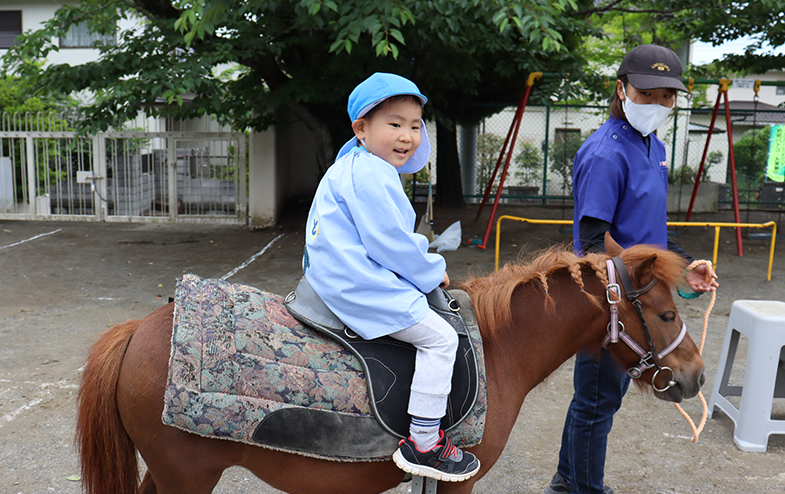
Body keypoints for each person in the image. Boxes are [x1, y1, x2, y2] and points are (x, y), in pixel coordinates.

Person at [544, 44, 719, 494]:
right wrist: (640, 289)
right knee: (597, 402)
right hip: (618, 300)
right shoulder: (605, 152)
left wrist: (685, 265)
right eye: (647, 93)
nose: (658, 104)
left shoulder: (653, 146)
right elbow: (592, 241)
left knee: (598, 400)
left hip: (641, 293)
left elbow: (649, 234)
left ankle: (567, 482)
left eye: (668, 96)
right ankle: (583, 488)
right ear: (621, 90)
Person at [302, 72, 481, 482]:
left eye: (415, 126)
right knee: (441, 338)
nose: (407, 136)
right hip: (355, 281)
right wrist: (433, 272)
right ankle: (423, 442)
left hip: (336, 271)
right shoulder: (371, 174)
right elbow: (392, 244)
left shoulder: (353, 165)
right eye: (394, 124)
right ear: (361, 129)